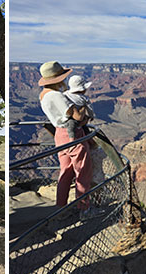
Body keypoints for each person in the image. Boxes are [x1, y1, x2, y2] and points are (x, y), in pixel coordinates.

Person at [37, 61, 95, 209]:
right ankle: (84, 208)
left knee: (66, 172)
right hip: (73, 135)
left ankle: (60, 207)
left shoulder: (43, 95)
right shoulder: (56, 95)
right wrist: (83, 106)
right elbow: (77, 117)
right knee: (83, 172)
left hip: (59, 134)